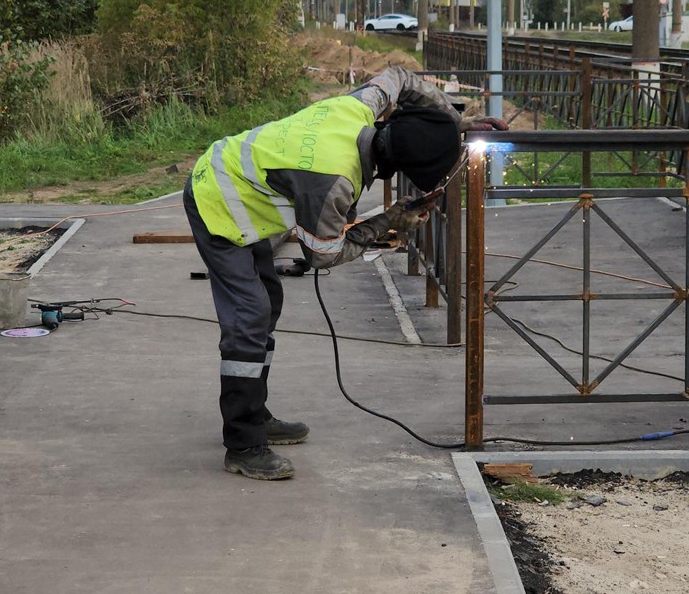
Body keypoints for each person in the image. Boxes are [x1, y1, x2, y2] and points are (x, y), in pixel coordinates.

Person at [183, 66, 506, 480]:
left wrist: (449, 120)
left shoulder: (359, 107)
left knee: (267, 304)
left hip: (233, 174)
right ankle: (243, 445)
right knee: (249, 315)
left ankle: (254, 413)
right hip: (216, 199)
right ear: (394, 167)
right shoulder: (334, 183)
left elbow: (400, 77)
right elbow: (323, 255)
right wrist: (387, 223)